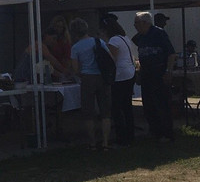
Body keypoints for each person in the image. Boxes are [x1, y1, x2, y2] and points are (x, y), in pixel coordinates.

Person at [69, 17, 112, 151]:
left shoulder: (75, 47)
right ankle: (105, 142)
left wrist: (81, 73)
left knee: (88, 112)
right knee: (105, 111)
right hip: (102, 77)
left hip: (87, 78)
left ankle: (92, 142)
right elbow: (110, 58)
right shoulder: (98, 41)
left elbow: (76, 69)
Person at [132, 12, 176, 141]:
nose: (135, 26)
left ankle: (166, 133)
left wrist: (168, 71)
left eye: (136, 23)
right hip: (146, 74)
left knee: (162, 104)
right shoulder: (140, 37)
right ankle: (155, 131)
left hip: (159, 73)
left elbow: (171, 54)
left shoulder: (159, 33)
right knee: (149, 105)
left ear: (145, 23)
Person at [101, 16, 136, 146]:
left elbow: (112, 59)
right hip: (130, 73)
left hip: (120, 75)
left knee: (117, 107)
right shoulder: (125, 38)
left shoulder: (114, 40)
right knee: (127, 106)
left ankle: (121, 136)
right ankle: (130, 134)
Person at [42, 15, 72, 80]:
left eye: (61, 27)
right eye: (57, 26)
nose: (59, 29)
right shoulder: (47, 41)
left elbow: (67, 58)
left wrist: (65, 71)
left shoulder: (65, 42)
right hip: (49, 69)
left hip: (61, 68)